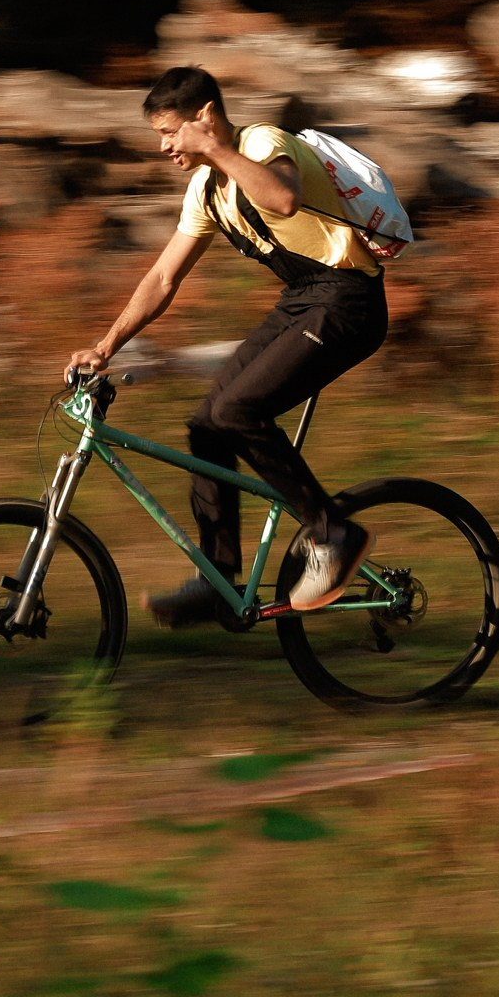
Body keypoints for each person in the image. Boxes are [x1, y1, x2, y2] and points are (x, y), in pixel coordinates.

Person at [65, 65, 387, 623]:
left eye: (170, 132)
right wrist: (106, 345)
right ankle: (218, 579)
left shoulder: (261, 142)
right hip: (305, 299)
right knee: (208, 423)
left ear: (205, 116)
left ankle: (334, 532)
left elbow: (283, 198)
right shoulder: (206, 192)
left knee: (239, 408)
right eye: (160, 137)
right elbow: (163, 278)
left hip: (348, 301)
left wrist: (216, 150)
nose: (164, 146)